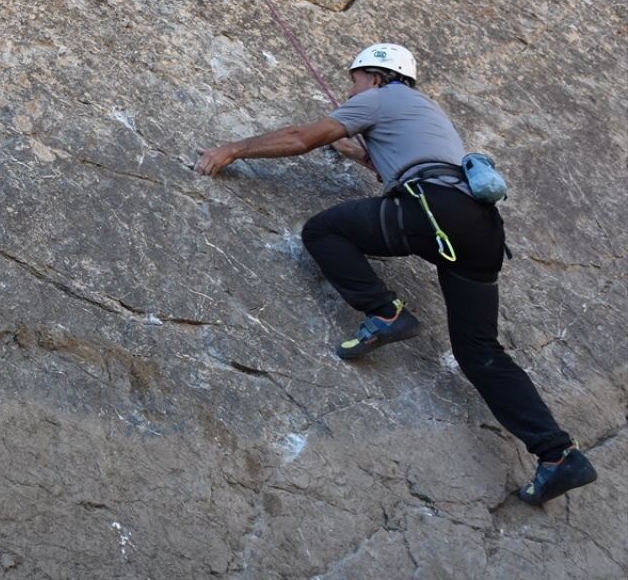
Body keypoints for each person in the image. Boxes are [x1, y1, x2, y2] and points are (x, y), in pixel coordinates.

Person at [194, 43, 596, 506]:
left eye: (356, 79)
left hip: (435, 211)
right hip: (480, 227)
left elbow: (303, 136)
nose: (351, 89)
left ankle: (385, 313)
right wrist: (357, 152)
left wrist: (234, 149)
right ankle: (558, 454)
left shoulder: (379, 97)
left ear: (378, 77)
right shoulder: (427, 110)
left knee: (323, 230)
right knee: (480, 351)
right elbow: (398, 158)